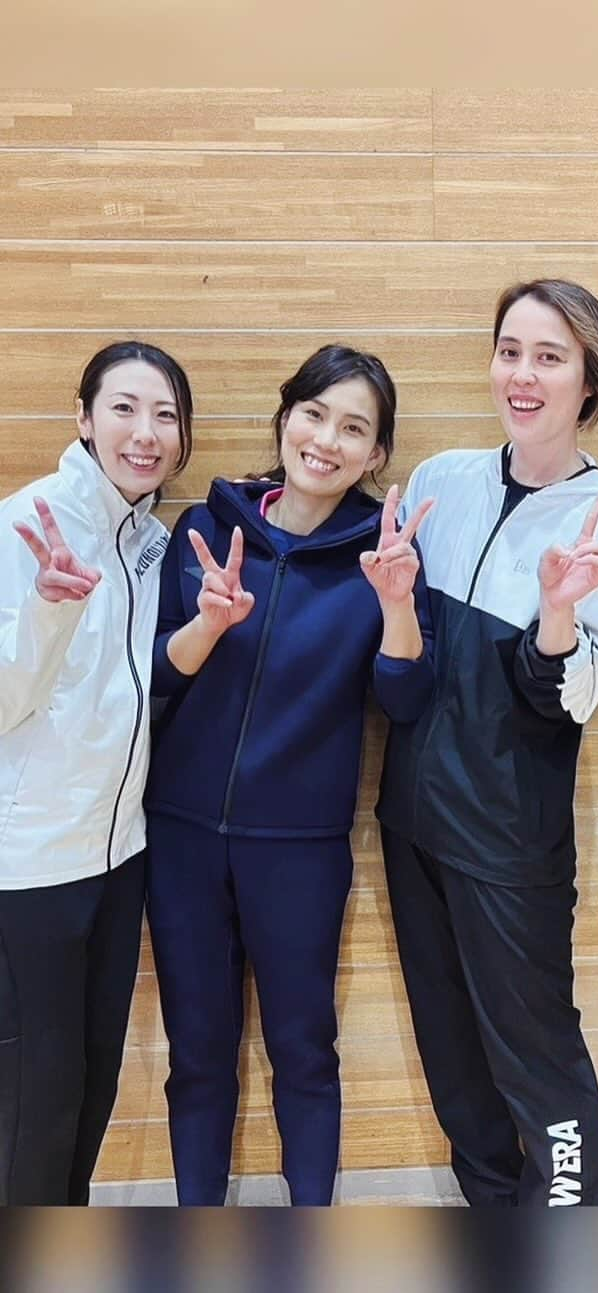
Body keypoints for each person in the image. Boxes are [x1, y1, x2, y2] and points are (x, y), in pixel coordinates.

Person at [377, 279, 598, 1207]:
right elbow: (402, 684)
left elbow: (565, 704)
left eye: (549, 356)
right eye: (509, 351)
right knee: (454, 1059)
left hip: (510, 842)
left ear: (588, 381)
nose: (522, 375)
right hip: (413, 823)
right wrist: (393, 606)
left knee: (536, 1060)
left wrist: (561, 614)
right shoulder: (440, 481)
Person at [144, 345, 434, 1206]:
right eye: (315, 413)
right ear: (285, 417)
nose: (327, 440)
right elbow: (157, 676)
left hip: (300, 849)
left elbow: (407, 698)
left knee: (305, 1051)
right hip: (183, 838)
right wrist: (207, 622)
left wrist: (394, 608)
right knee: (196, 1056)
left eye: (355, 429)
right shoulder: (205, 529)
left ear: (376, 455)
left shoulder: (380, 557)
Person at [0, 339, 194, 1205]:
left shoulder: (145, 540)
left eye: (165, 415)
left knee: (89, 1094)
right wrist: (44, 612)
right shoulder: (27, 525)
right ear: (83, 418)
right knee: (30, 1108)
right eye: (123, 407)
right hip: (29, 866)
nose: (145, 432)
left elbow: (131, 686)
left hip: (119, 860)